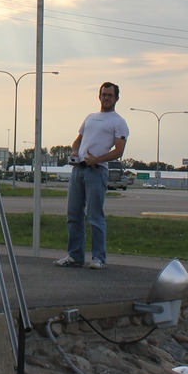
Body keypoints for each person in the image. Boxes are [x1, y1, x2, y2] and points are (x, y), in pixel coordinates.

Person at [53, 81, 128, 269]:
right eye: (104, 94)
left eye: (110, 95)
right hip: (79, 170)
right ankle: (75, 256)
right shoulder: (90, 118)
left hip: (97, 171)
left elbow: (119, 151)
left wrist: (98, 159)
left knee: (94, 216)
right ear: (99, 96)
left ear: (116, 98)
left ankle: (98, 258)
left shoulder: (118, 122)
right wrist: (73, 153)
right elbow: (77, 141)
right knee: (73, 214)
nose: (106, 98)